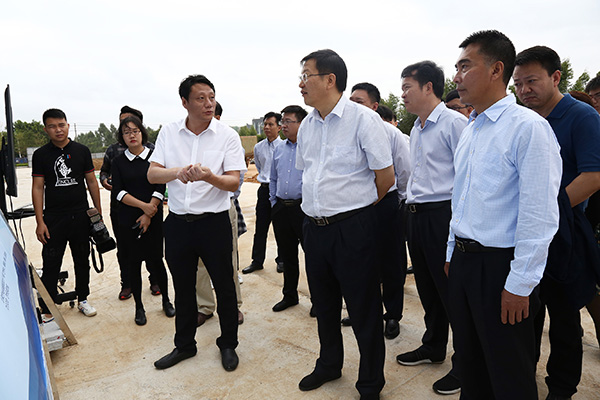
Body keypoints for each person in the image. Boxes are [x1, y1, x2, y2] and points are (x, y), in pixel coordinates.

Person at [446, 30, 562, 399]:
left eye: (465, 66)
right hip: (464, 264)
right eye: (456, 68)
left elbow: (539, 213)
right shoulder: (471, 129)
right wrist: (451, 252)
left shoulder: (528, 128)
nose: (457, 76)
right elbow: (461, 197)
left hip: (500, 269)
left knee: (509, 374)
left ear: (497, 70)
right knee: (471, 365)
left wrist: (520, 283)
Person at [296, 49, 394, 400]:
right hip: (315, 229)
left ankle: (370, 382)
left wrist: (356, 212)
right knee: (324, 305)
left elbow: (386, 177)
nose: (300, 83)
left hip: (353, 229)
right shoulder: (308, 125)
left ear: (329, 79)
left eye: (306, 75)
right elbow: (308, 173)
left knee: (364, 308)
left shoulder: (363, 119)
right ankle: (329, 364)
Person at [513, 45, 600, 400]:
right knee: (527, 311)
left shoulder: (582, 116)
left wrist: (547, 210)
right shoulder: (524, 120)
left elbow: (593, 176)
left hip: (565, 231)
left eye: (532, 81)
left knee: (564, 318)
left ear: (555, 77)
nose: (524, 90)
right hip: (526, 231)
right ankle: (523, 376)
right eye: (518, 84)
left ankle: (561, 388)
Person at [148, 74, 246, 372]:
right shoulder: (169, 132)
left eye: (211, 97)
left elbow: (233, 181)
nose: (208, 103)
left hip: (214, 223)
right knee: (183, 288)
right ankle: (184, 345)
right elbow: (152, 174)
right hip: (178, 224)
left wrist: (209, 176)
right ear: (185, 102)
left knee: (225, 286)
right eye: (200, 98)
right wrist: (178, 172)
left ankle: (228, 344)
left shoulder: (227, 135)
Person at [394, 61, 466, 396]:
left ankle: (465, 363)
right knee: (428, 288)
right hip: (417, 216)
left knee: (452, 292)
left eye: (407, 87)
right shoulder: (416, 128)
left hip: (443, 216)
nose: (403, 94)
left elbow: (466, 178)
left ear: (428, 87)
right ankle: (434, 345)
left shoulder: (454, 123)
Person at [348, 82, 410, 340]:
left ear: (374, 106)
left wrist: (397, 200)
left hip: (386, 202)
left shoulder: (391, 133)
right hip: (356, 205)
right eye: (350, 101)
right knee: (360, 261)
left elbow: (404, 170)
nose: (353, 106)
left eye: (359, 102)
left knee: (391, 261)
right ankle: (364, 312)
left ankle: (392, 314)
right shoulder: (346, 133)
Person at [33, 108, 102, 319]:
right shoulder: (41, 155)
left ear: (68, 125)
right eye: (52, 126)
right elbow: (38, 187)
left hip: (80, 216)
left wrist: (97, 213)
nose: (58, 130)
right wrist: (40, 221)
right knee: (51, 262)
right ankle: (47, 309)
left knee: (82, 260)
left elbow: (92, 182)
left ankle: (83, 299)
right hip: (54, 219)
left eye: (61, 125)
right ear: (46, 129)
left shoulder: (82, 151)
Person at [111, 115, 175, 325]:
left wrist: (149, 212)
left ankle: (166, 300)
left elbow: (160, 185)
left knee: (157, 260)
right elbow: (118, 192)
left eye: (135, 131)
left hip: (154, 217)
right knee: (133, 263)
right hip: (129, 218)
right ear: (122, 136)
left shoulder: (154, 158)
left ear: (142, 133)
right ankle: (139, 307)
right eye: (126, 132)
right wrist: (143, 207)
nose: (132, 135)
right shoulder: (118, 162)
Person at [99, 106, 158, 300]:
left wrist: (149, 208)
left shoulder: (152, 151)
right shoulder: (113, 150)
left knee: (152, 247)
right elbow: (104, 172)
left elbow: (160, 181)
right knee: (124, 248)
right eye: (123, 124)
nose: (128, 130)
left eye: (133, 126)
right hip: (121, 208)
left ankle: (155, 280)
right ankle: (127, 284)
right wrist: (106, 182)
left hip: (149, 208)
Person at [195, 101, 245, 327]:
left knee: (227, 260)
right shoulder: (191, 141)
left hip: (224, 207)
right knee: (199, 264)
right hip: (196, 211)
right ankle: (204, 306)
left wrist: (215, 184)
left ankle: (232, 307)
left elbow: (236, 181)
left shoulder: (229, 139)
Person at [269, 105, 308, 312]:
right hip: (282, 209)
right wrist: (273, 203)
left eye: (288, 121)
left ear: (301, 124)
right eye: (282, 121)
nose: (283, 125)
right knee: (287, 255)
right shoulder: (279, 149)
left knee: (313, 257)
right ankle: (290, 296)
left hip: (304, 210)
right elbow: (273, 178)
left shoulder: (309, 147)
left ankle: (319, 300)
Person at [242, 112, 284, 274]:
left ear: (279, 128)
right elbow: (260, 167)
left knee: (280, 228)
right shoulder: (258, 147)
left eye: (270, 124)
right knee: (260, 228)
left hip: (279, 192)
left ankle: (282, 260)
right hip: (264, 190)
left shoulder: (284, 146)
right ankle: (257, 261)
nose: (266, 127)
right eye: (265, 124)